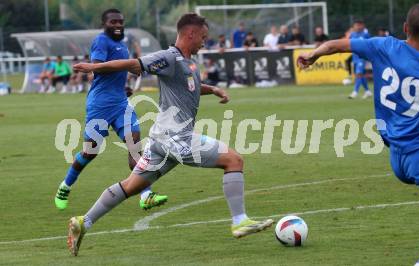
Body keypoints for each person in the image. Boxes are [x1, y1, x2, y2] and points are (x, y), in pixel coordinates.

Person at [68, 12, 273, 256]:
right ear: (191, 34)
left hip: (160, 141)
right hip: (175, 138)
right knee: (234, 160)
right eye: (203, 37)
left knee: (131, 186)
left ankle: (83, 222)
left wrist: (214, 89)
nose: (204, 42)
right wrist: (94, 66)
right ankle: (240, 220)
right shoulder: (169, 58)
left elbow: (191, 88)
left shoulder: (189, 63)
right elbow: (134, 64)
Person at [297, 4, 419, 265]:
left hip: (397, 156)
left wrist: (313, 54)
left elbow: (335, 46)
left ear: (405, 28)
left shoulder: (384, 46)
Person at [54, 8, 167, 211]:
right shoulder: (101, 41)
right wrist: (118, 69)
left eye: (120, 22)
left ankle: (146, 194)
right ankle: (65, 186)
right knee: (91, 151)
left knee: (134, 146)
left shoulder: (122, 45)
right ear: (104, 24)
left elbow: (111, 72)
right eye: (113, 22)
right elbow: (97, 67)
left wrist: (121, 86)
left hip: (121, 103)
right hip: (100, 105)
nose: (117, 25)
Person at [348, 20, 372, 99]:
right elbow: (348, 44)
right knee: (361, 75)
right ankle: (367, 91)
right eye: (356, 25)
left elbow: (370, 45)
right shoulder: (352, 34)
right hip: (355, 58)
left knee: (358, 74)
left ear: (363, 26)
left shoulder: (366, 35)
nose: (358, 27)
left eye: (359, 25)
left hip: (362, 58)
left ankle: (355, 92)